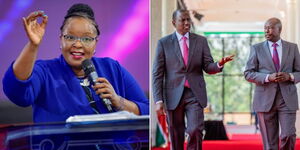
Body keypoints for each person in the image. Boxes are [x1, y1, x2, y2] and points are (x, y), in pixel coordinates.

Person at [2, 3, 149, 123]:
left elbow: (147, 110)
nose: (77, 44)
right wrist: (33, 45)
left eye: (86, 39)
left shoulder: (112, 68)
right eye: (70, 37)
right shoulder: (45, 71)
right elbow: (18, 93)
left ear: (95, 43)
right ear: (61, 40)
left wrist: (119, 101)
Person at [152, 9, 234, 150]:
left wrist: (219, 64)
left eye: (188, 20)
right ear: (173, 22)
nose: (186, 23)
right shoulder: (163, 43)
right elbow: (157, 73)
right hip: (172, 94)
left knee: (195, 130)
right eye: (182, 20)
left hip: (194, 94)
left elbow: (208, 67)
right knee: (176, 134)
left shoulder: (200, 41)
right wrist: (158, 100)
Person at [244, 17, 300, 150]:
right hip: (264, 100)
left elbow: (299, 71)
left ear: (279, 29)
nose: (266, 30)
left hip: (287, 99)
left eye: (270, 27)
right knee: (270, 142)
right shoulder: (256, 49)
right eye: (265, 28)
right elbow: (248, 73)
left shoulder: (292, 48)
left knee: (288, 134)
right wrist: (268, 77)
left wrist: (289, 76)